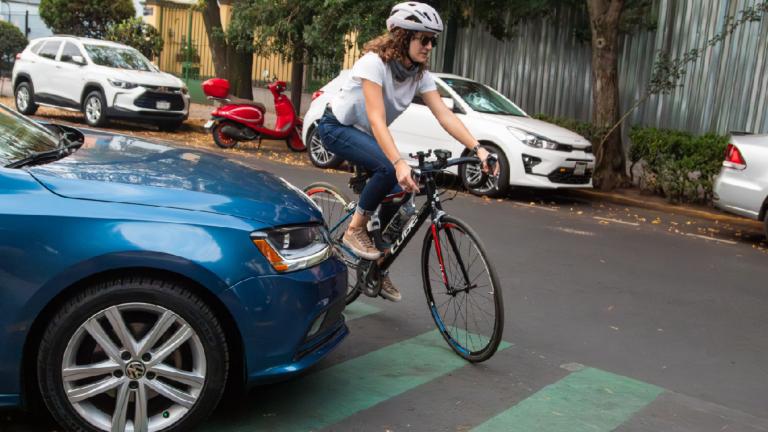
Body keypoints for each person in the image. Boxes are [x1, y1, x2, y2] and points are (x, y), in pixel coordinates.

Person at [316, 1, 495, 302]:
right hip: (337, 128)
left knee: (405, 192)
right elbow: (375, 117)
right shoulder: (373, 63)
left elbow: (444, 115)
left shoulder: (419, 74)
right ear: (403, 37)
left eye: (433, 41)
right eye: (423, 39)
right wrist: (398, 162)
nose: (429, 46)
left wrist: (477, 148)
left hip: (369, 136)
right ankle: (353, 230)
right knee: (389, 168)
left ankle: (376, 267)